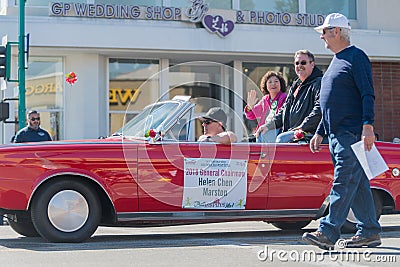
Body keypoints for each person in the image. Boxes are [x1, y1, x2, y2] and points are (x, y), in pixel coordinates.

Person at [302, 13, 381, 250]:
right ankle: (369, 231)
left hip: (351, 134)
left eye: (324, 32)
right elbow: (330, 103)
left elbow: (367, 93)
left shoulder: (356, 57)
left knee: (344, 182)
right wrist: (319, 131)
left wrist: (368, 126)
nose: (322, 37)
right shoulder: (337, 60)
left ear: (336, 31)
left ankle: (327, 232)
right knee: (356, 186)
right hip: (336, 135)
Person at [255, 50, 322, 143]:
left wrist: (303, 127)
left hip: (309, 134)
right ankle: (263, 158)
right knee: (262, 134)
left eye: (303, 63)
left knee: (281, 139)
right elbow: (284, 111)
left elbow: (319, 109)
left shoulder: (319, 83)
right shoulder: (295, 86)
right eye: (297, 63)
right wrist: (268, 125)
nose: (299, 66)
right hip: (291, 131)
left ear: (312, 64)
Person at [244, 71, 287, 142]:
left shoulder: (284, 98)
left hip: (277, 131)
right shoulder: (265, 99)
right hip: (262, 132)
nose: (273, 84)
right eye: (270, 82)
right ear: (266, 85)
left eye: (276, 81)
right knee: (245, 142)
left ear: (281, 84)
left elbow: (282, 118)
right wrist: (249, 107)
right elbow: (251, 115)